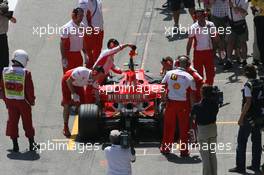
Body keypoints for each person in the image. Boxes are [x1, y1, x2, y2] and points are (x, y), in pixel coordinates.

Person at [1, 50, 38, 152]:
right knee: (27, 122)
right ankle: (31, 144)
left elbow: (2, 88)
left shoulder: (5, 71)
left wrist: (6, 101)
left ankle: (15, 146)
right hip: (23, 102)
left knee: (12, 122)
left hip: (10, 102)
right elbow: (29, 89)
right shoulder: (26, 73)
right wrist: (32, 101)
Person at [160, 56, 196, 157]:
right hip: (183, 105)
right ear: (188, 65)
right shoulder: (189, 77)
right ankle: (184, 151)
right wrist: (193, 109)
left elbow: (162, 87)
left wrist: (163, 99)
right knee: (183, 128)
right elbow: (192, 95)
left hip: (170, 104)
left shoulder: (170, 74)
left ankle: (166, 148)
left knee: (168, 127)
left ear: (177, 63)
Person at [229, 65, 262, 174]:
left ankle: (240, 167)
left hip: (249, 117)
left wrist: (241, 117)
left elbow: (248, 103)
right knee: (257, 142)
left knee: (242, 142)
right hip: (259, 117)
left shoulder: (249, 85)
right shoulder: (261, 83)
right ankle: (256, 165)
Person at [61, 66, 105, 137]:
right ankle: (65, 127)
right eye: (99, 76)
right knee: (67, 104)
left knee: (83, 106)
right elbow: (68, 81)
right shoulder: (82, 72)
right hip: (67, 81)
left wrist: (98, 102)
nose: (99, 78)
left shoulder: (94, 79)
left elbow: (96, 91)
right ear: (94, 73)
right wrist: (74, 93)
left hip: (78, 84)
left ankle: (82, 126)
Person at [186, 8, 220, 85]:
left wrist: (219, 49)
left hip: (209, 52)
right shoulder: (193, 27)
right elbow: (190, 42)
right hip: (198, 53)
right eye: (197, 16)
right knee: (198, 75)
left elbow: (216, 39)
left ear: (204, 16)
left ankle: (209, 88)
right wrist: (187, 54)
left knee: (210, 73)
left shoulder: (210, 25)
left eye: (201, 16)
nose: (200, 17)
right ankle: (200, 91)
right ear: (195, 17)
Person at [191, 84, 219, 175]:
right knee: (212, 154)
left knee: (205, 156)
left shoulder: (197, 106)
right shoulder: (215, 104)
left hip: (203, 130)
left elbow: (193, 118)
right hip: (212, 128)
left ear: (202, 93)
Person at [79, 0, 104, 69]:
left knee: (98, 49)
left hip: (99, 28)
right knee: (90, 51)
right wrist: (87, 29)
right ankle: (91, 69)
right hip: (91, 29)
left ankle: (97, 68)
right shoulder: (83, 2)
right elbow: (83, 16)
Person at [60, 7, 85, 73]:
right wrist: (64, 58)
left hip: (78, 55)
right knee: (69, 76)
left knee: (79, 76)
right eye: (80, 16)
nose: (82, 18)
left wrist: (85, 53)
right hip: (69, 56)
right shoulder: (67, 28)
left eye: (82, 16)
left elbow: (82, 40)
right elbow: (62, 43)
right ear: (74, 16)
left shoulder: (82, 26)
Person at [226, 0, 249, 67]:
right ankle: (229, 60)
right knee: (230, 42)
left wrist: (233, 6)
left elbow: (243, 12)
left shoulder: (245, 1)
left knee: (243, 42)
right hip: (230, 23)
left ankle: (244, 60)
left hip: (241, 23)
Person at [0, 0, 16, 94]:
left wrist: (8, 15)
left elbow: (14, 21)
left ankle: (3, 82)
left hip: (3, 37)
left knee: (5, 60)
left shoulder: (7, 14)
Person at [252, 0, 264, 67]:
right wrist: (255, 8)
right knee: (258, 40)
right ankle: (257, 58)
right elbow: (254, 3)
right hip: (259, 17)